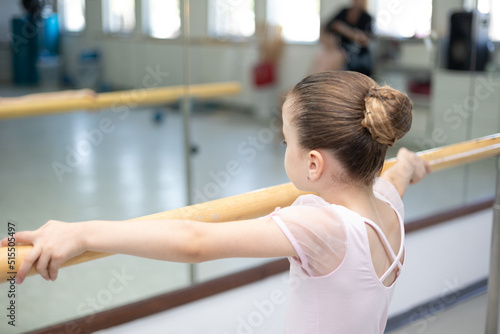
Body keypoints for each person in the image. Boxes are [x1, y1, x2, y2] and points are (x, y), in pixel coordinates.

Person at [1, 71, 430, 333]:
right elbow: (394, 176)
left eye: (287, 141)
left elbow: (195, 241)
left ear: (313, 163)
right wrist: (409, 164)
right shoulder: (389, 206)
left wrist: (81, 231)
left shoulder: (322, 227)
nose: (284, 147)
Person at [325, 0, 373, 76]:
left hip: (357, 54)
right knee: (323, 58)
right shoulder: (343, 12)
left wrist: (344, 30)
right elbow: (328, 27)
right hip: (340, 50)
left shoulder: (367, 17)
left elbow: (364, 40)